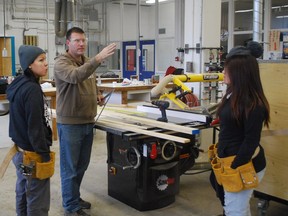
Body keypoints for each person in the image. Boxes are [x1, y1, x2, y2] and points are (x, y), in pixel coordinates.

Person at [53, 27, 116, 216]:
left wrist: (96, 95)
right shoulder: (61, 62)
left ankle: (74, 197)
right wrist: (98, 59)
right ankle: (71, 206)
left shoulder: (87, 62)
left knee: (81, 165)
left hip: (88, 120)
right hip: (70, 123)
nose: (81, 44)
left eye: (83, 40)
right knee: (70, 167)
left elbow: (90, 81)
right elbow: (76, 76)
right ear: (68, 43)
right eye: (77, 41)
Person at [210, 41, 270, 216]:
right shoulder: (232, 94)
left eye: (226, 70)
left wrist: (234, 167)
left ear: (239, 74)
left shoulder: (252, 104)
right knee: (229, 201)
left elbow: (251, 141)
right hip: (229, 160)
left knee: (236, 210)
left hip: (244, 164)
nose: (223, 73)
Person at [6, 45, 53, 216]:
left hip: (20, 152)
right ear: (29, 65)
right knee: (37, 199)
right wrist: (44, 154)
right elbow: (35, 127)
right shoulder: (32, 89)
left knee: (24, 192)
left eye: (45, 59)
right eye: (41, 60)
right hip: (33, 155)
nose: (46, 64)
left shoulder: (19, 84)